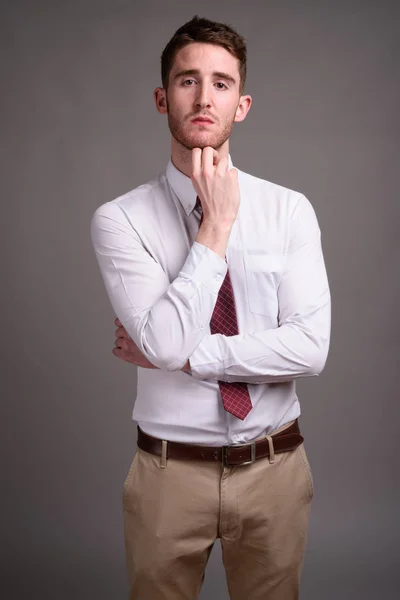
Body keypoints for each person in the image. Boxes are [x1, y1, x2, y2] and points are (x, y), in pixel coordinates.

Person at [90, 14, 331, 600]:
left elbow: (310, 348)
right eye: (187, 80)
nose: (204, 97)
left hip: (275, 469)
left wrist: (187, 357)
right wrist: (216, 228)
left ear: (241, 105)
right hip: (168, 478)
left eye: (221, 83)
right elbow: (163, 345)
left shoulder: (288, 210)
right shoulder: (120, 220)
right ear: (161, 97)